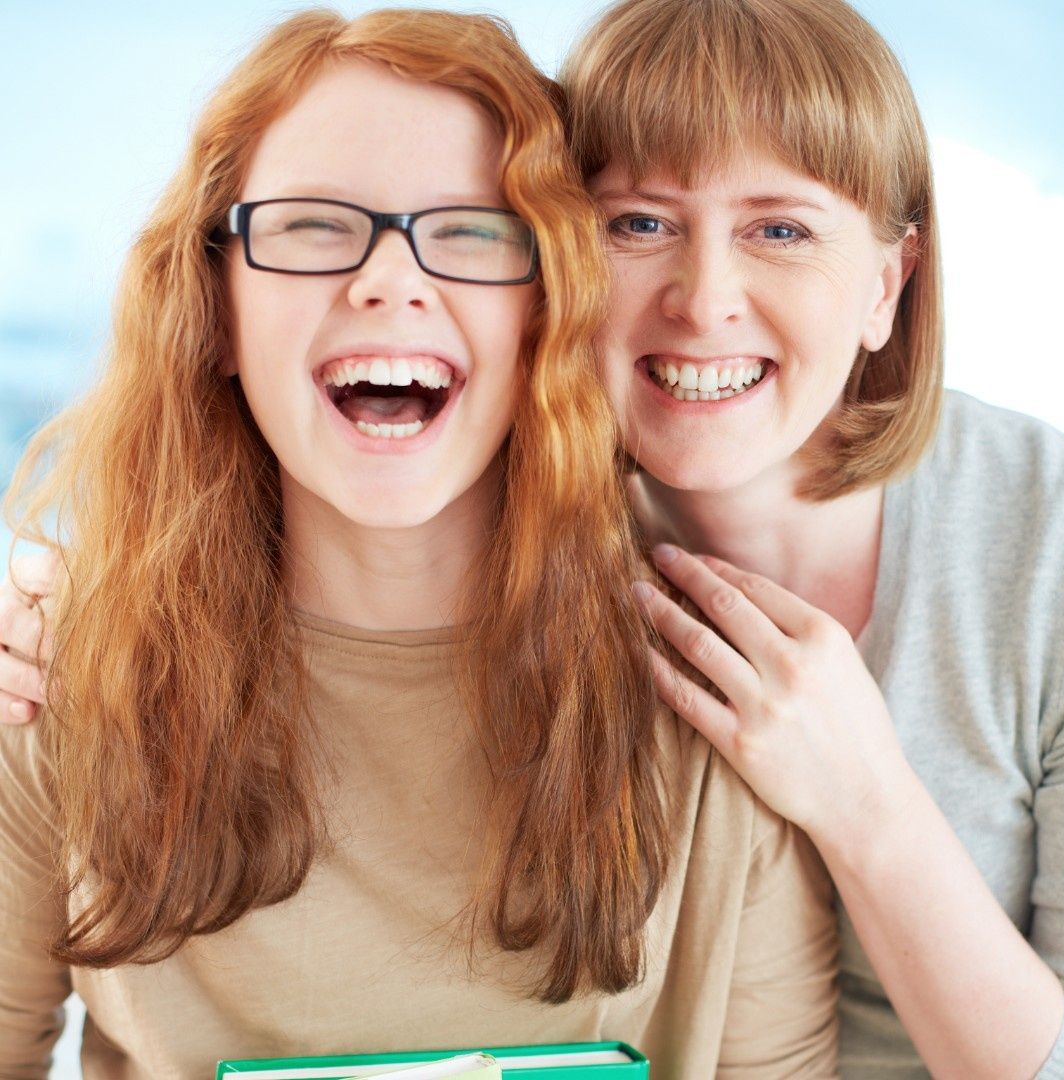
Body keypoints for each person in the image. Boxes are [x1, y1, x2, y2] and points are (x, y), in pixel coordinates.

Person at [0, 7, 839, 1077]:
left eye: (472, 231)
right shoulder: (52, 683)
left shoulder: (722, 700)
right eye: (311, 225)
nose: (389, 281)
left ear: (551, 315)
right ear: (214, 309)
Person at [556, 0, 1064, 1077]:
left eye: (780, 231)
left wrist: (865, 802)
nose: (704, 301)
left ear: (887, 285)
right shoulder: (500, 545)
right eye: (638, 224)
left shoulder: (1052, 548)